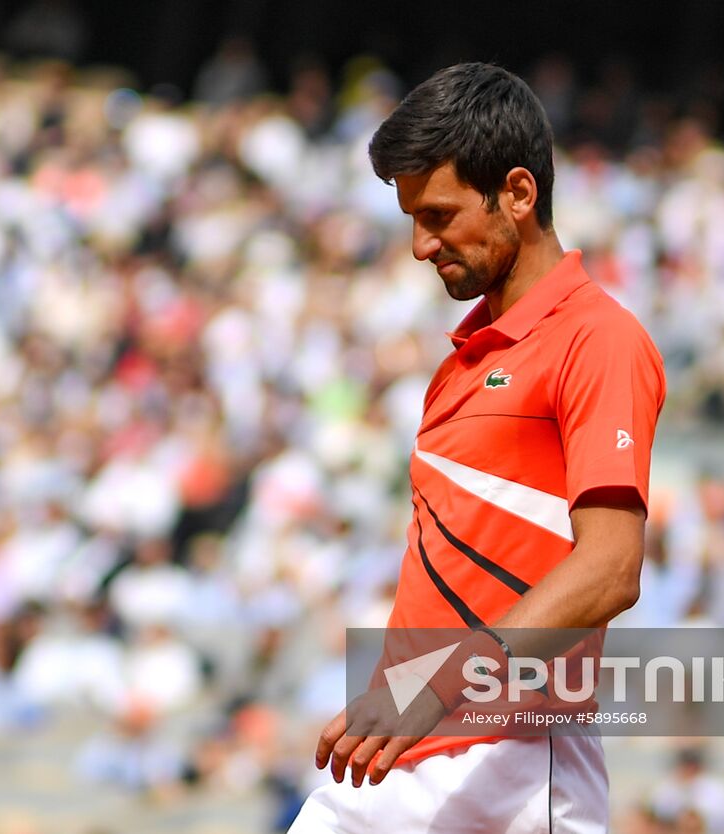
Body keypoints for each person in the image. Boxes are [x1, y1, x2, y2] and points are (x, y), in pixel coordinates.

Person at [290, 62, 666, 833]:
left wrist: (434, 687)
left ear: (519, 194)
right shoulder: (462, 363)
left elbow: (611, 567)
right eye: (412, 220)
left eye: (439, 215)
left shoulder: (599, 339)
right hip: (403, 757)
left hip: (514, 765)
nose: (421, 246)